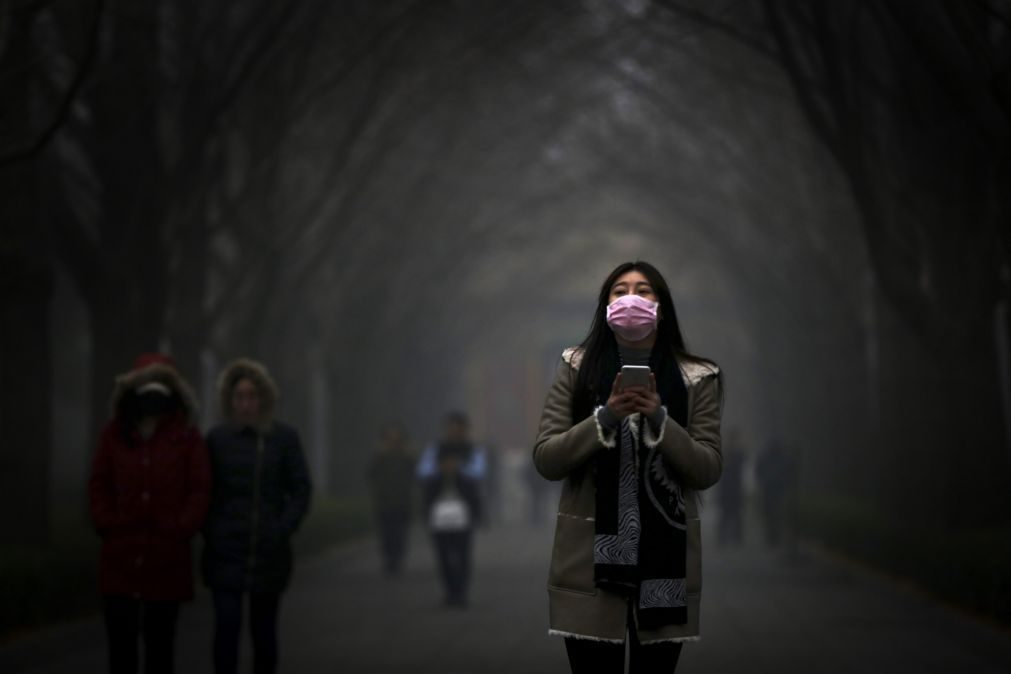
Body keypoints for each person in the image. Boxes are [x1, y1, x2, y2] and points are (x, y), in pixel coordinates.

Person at [533, 261, 723, 674]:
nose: (631, 298)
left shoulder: (697, 377)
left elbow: (707, 469)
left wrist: (660, 419)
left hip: (666, 571)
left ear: (662, 305)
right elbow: (547, 458)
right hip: (588, 569)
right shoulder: (575, 366)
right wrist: (606, 418)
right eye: (620, 291)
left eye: (644, 289)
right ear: (605, 305)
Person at [88, 353, 211, 674]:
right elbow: (98, 484)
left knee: (161, 651)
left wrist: (182, 527)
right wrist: (107, 523)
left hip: (166, 560)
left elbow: (200, 489)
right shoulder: (113, 436)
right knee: (121, 654)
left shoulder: (186, 439)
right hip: (120, 560)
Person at [202, 359, 312, 674]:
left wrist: (281, 529)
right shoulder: (217, 441)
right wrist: (213, 531)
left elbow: (301, 490)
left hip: (269, 552)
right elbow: (203, 491)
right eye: (239, 397)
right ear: (230, 400)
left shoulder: (284, 439)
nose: (246, 404)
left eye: (252, 396)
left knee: (264, 634)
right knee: (226, 628)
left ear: (264, 398)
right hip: (226, 553)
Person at [421, 412, 483, 607]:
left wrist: (459, 468)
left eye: (459, 429)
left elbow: (480, 472)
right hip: (438, 510)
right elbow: (422, 471)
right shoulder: (435, 449)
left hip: (464, 510)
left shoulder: (472, 450)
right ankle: (449, 591)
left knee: (463, 554)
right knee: (442, 554)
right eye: (451, 428)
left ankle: (461, 592)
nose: (455, 432)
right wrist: (441, 470)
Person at [367, 422, 417, 575]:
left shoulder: (407, 455)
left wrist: (412, 457)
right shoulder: (380, 456)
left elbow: (416, 474)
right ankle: (389, 559)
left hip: (403, 501)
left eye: (396, 436)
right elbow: (370, 474)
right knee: (386, 534)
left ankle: (397, 559)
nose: (393, 440)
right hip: (384, 502)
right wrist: (378, 457)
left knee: (400, 534)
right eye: (389, 436)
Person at [717, 428, 745, 546]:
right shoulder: (725, 454)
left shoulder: (738, 454)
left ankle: (736, 538)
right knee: (726, 515)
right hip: (727, 489)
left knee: (736, 515)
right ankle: (724, 538)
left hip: (735, 488)